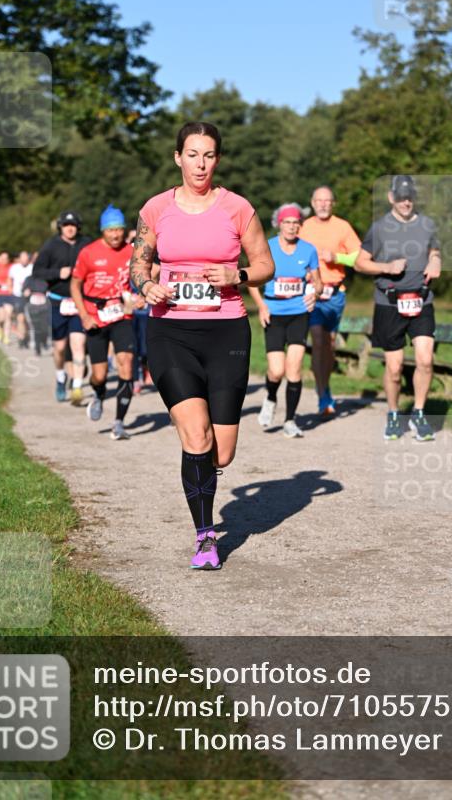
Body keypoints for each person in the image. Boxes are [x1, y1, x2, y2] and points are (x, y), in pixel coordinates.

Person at [131, 121, 274, 571]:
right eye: (192, 154)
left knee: (222, 450)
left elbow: (265, 264)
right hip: (170, 331)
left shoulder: (237, 208)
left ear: (217, 160)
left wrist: (240, 276)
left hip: (227, 332)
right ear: (178, 158)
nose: (200, 163)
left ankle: (200, 470)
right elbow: (139, 264)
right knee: (197, 436)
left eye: (208, 155)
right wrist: (147, 285)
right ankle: (206, 536)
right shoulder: (156, 209)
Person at [355, 174, 441, 441]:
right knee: (394, 368)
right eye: (401, 197)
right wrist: (386, 267)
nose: (406, 202)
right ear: (391, 197)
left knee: (426, 359)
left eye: (410, 197)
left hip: (421, 299)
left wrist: (436, 261)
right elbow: (360, 263)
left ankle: (418, 413)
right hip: (390, 303)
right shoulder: (379, 228)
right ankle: (393, 414)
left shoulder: (428, 224)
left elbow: (434, 251)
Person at [248, 203, 323, 438]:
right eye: (287, 222)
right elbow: (252, 281)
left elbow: (319, 283)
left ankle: (290, 420)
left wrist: (315, 294)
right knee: (276, 371)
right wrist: (261, 307)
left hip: (299, 312)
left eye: (295, 222)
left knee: (294, 369)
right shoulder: (267, 247)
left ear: (300, 225)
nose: (291, 227)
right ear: (278, 224)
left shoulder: (309, 250)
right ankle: (270, 397)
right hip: (274, 313)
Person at [71, 206, 136, 441]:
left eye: (119, 229)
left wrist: (143, 296)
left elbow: (150, 273)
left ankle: (119, 423)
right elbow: (74, 285)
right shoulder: (88, 253)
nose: (116, 234)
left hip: (122, 315)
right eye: (111, 230)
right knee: (99, 374)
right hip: (95, 318)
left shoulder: (132, 252)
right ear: (103, 231)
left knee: (126, 364)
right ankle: (98, 394)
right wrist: (84, 316)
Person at [300, 186, 361, 416]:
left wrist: (337, 257)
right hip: (311, 292)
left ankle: (325, 386)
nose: (323, 204)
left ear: (333, 204)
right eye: (319, 200)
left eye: (327, 201)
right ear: (313, 203)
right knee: (317, 339)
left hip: (335, 294)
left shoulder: (342, 227)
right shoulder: (304, 227)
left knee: (329, 344)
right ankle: (322, 393)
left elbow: (359, 256)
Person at [34, 211, 91, 404]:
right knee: (59, 348)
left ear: (78, 227)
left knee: (78, 344)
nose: (70, 228)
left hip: (79, 302)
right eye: (66, 225)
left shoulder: (86, 243)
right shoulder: (51, 246)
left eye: (73, 224)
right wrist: (58, 272)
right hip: (57, 302)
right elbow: (38, 271)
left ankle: (76, 388)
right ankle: (60, 378)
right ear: (60, 227)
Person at [9, 250, 33, 349]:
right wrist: (10, 289)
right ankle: (21, 338)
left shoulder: (32, 268)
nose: (24, 259)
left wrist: (31, 289)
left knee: (28, 319)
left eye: (26, 257)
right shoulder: (14, 268)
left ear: (28, 258)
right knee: (20, 318)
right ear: (19, 258)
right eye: (22, 257)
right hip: (18, 295)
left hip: (30, 297)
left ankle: (26, 337)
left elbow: (37, 281)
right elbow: (9, 279)